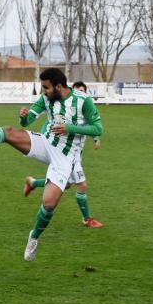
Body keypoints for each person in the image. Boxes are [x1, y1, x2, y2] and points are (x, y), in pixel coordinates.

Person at [0, 68, 103, 261]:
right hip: (46, 142)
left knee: (49, 203)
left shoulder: (82, 100)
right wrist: (23, 116)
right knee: (9, 132)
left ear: (58, 86)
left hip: (66, 156)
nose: (43, 91)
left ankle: (34, 237)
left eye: (46, 87)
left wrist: (69, 128)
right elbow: (27, 122)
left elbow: (97, 128)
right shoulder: (46, 98)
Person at [23, 81, 103, 228]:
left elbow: (93, 127)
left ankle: (33, 182)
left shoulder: (83, 108)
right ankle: (87, 219)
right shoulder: (64, 109)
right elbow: (49, 125)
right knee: (81, 184)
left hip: (76, 152)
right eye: (79, 90)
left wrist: (97, 139)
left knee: (66, 184)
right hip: (66, 153)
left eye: (83, 91)